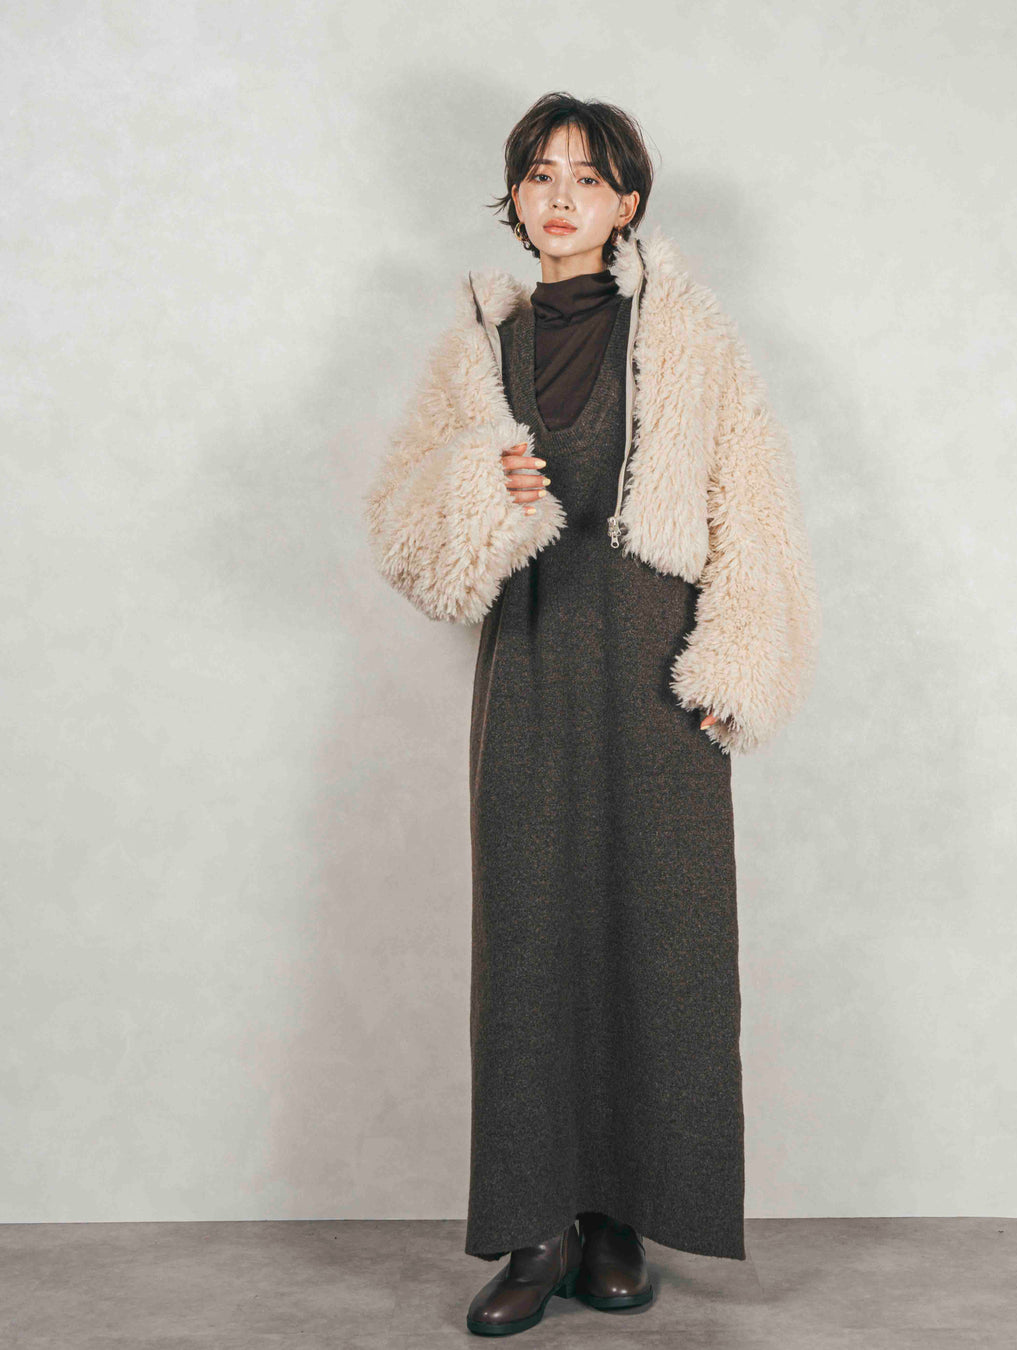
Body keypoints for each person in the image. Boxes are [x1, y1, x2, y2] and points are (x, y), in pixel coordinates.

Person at [363, 91, 821, 1338]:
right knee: (528, 947)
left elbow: (753, 502)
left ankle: (622, 1219)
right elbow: (406, 526)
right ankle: (539, 1229)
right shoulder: (478, 348)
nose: (561, 195)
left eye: (588, 177)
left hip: (660, 681)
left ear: (628, 203)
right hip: (530, 675)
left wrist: (737, 670)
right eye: (540, 174)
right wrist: (480, 481)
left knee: (662, 944)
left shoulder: (687, 335)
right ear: (515, 199)